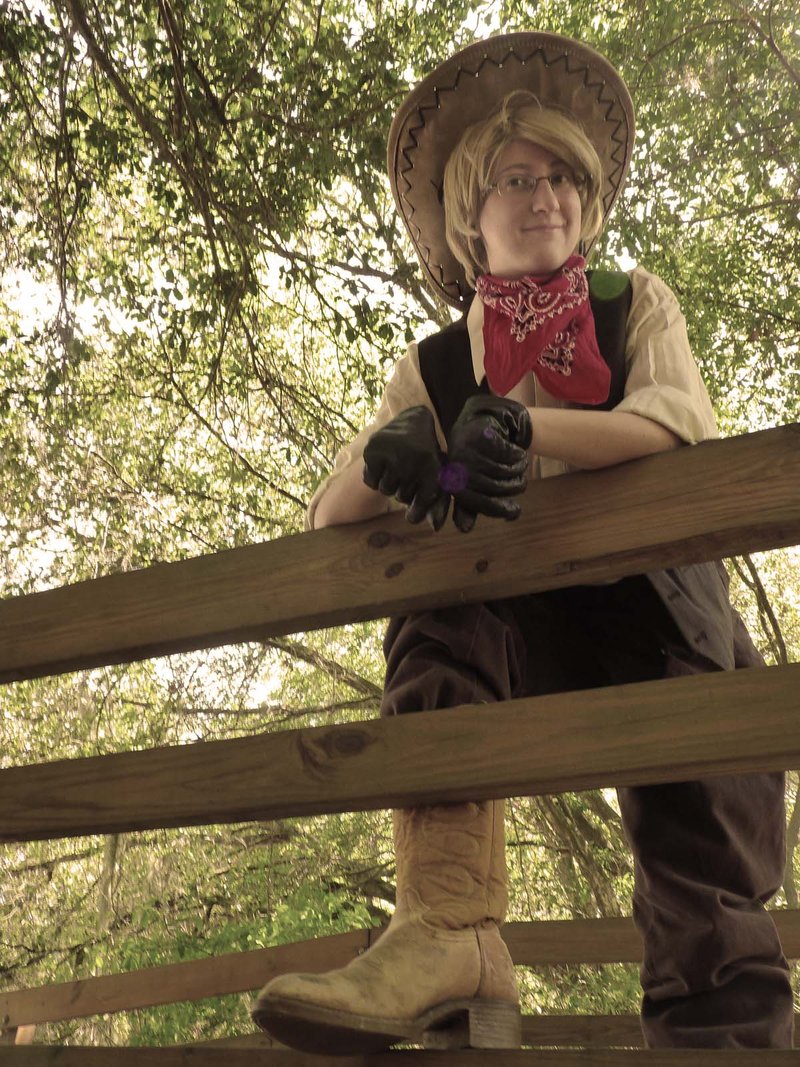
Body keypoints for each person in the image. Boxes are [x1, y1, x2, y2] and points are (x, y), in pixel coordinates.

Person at [250, 31, 793, 1053]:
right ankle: (446, 931)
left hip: (660, 621)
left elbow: (672, 422)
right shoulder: (433, 365)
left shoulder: (631, 303)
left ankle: (719, 1037)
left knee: (703, 858)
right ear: (472, 214)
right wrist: (394, 458)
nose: (546, 196)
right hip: (513, 641)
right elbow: (329, 515)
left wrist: (523, 426)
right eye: (516, 178)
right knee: (435, 590)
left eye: (562, 176)